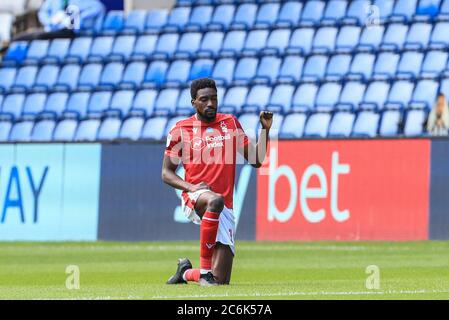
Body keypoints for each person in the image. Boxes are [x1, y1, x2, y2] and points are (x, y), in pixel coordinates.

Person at [162, 78, 273, 286]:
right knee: (214, 201)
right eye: (204, 99)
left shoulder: (229, 124)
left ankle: (185, 273)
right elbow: (166, 173)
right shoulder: (181, 129)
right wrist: (191, 187)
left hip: (225, 206)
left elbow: (256, 160)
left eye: (214, 98)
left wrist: (265, 131)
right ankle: (204, 272)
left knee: (221, 280)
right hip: (195, 196)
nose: (210, 104)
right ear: (193, 102)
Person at [13, 0, 105, 41]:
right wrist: (51, 21)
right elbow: (43, 12)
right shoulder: (52, 1)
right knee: (20, 38)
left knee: (39, 36)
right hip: (53, 28)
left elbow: (98, 8)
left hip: (70, 31)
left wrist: (75, 18)